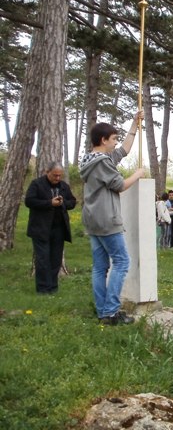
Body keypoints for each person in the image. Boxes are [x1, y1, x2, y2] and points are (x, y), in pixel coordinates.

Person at [79, 113, 145, 325]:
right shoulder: (102, 163)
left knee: (100, 267)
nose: (116, 142)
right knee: (122, 262)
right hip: (107, 218)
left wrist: (135, 125)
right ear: (103, 140)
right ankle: (110, 312)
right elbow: (120, 185)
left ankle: (102, 311)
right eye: (113, 139)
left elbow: (123, 151)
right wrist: (138, 174)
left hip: (92, 219)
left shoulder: (92, 160)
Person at [25, 162, 77, 295]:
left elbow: (72, 202)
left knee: (56, 259)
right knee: (42, 259)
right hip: (40, 228)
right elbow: (29, 201)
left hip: (58, 229)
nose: (57, 178)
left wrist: (63, 202)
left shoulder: (64, 187)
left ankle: (53, 287)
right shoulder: (37, 184)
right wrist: (49, 203)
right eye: (55, 175)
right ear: (47, 172)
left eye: (60, 176)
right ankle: (42, 289)